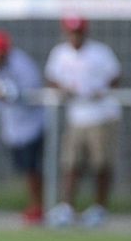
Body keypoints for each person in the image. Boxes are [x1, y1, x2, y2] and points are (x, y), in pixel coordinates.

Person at [44, 16, 121, 228]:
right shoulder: (60, 53)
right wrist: (63, 88)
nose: (75, 37)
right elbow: (51, 78)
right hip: (76, 117)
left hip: (101, 116)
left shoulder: (100, 52)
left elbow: (115, 77)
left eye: (78, 32)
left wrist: (100, 91)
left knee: (101, 164)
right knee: (71, 163)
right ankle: (68, 207)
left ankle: (99, 208)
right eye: (71, 32)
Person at [0, 29, 45, 226]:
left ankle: (38, 207)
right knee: (24, 169)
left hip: (31, 125)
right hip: (12, 126)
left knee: (32, 169)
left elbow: (32, 90)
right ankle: (33, 205)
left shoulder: (22, 64)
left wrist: (11, 93)